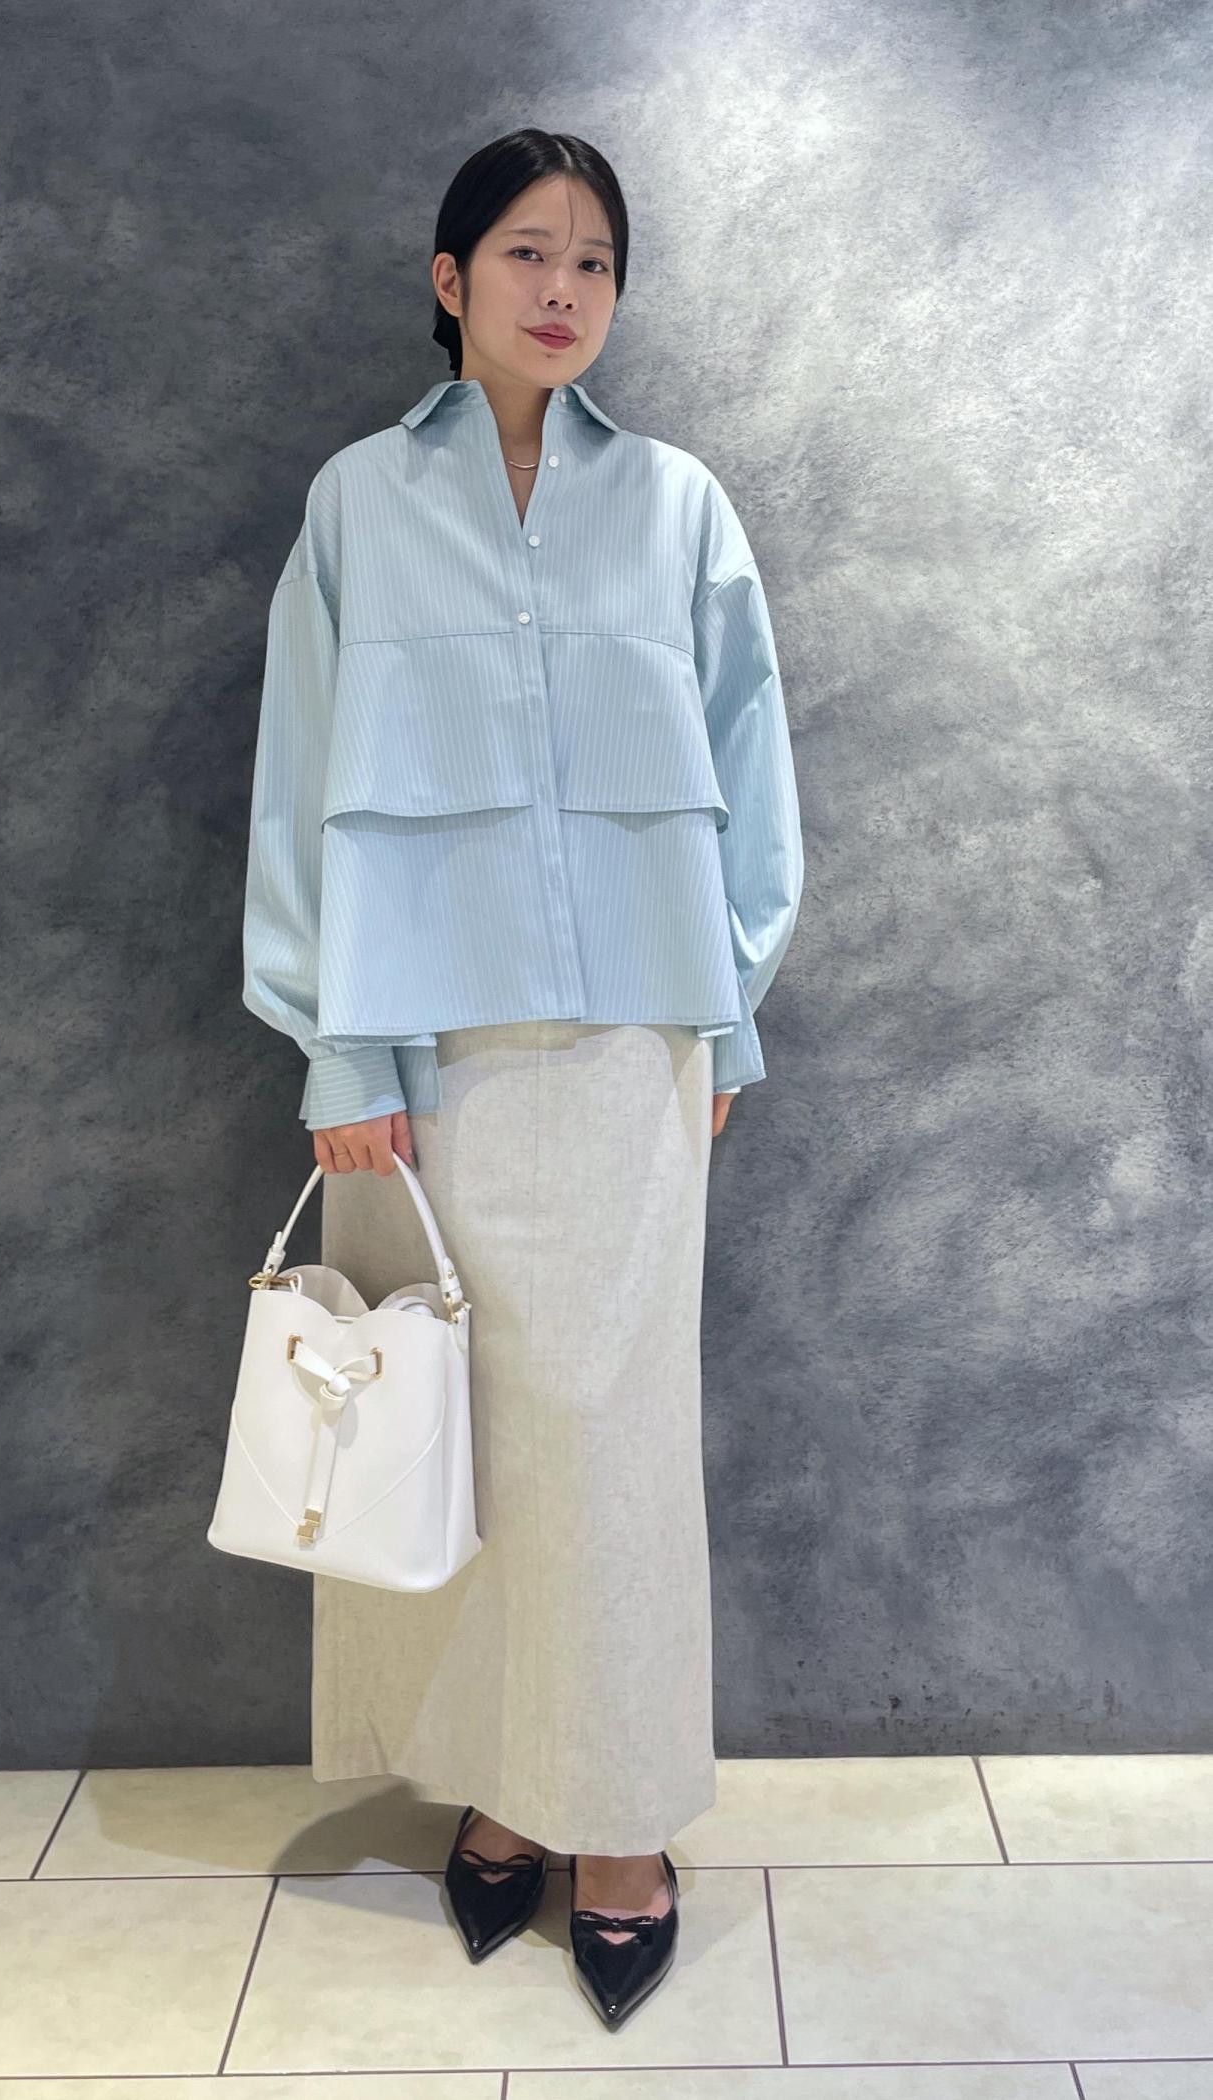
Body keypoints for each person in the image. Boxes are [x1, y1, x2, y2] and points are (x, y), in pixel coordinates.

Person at [240, 127, 803, 2030]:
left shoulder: (681, 507)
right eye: (526, 253)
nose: (563, 290)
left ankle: (619, 1817)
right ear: (450, 277)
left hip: (638, 1048)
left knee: (613, 1447)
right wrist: (338, 1043)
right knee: (460, 1439)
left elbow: (752, 766)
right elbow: (301, 782)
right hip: (422, 1063)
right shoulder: (357, 504)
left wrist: (727, 1010)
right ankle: (499, 1783)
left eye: (595, 262)